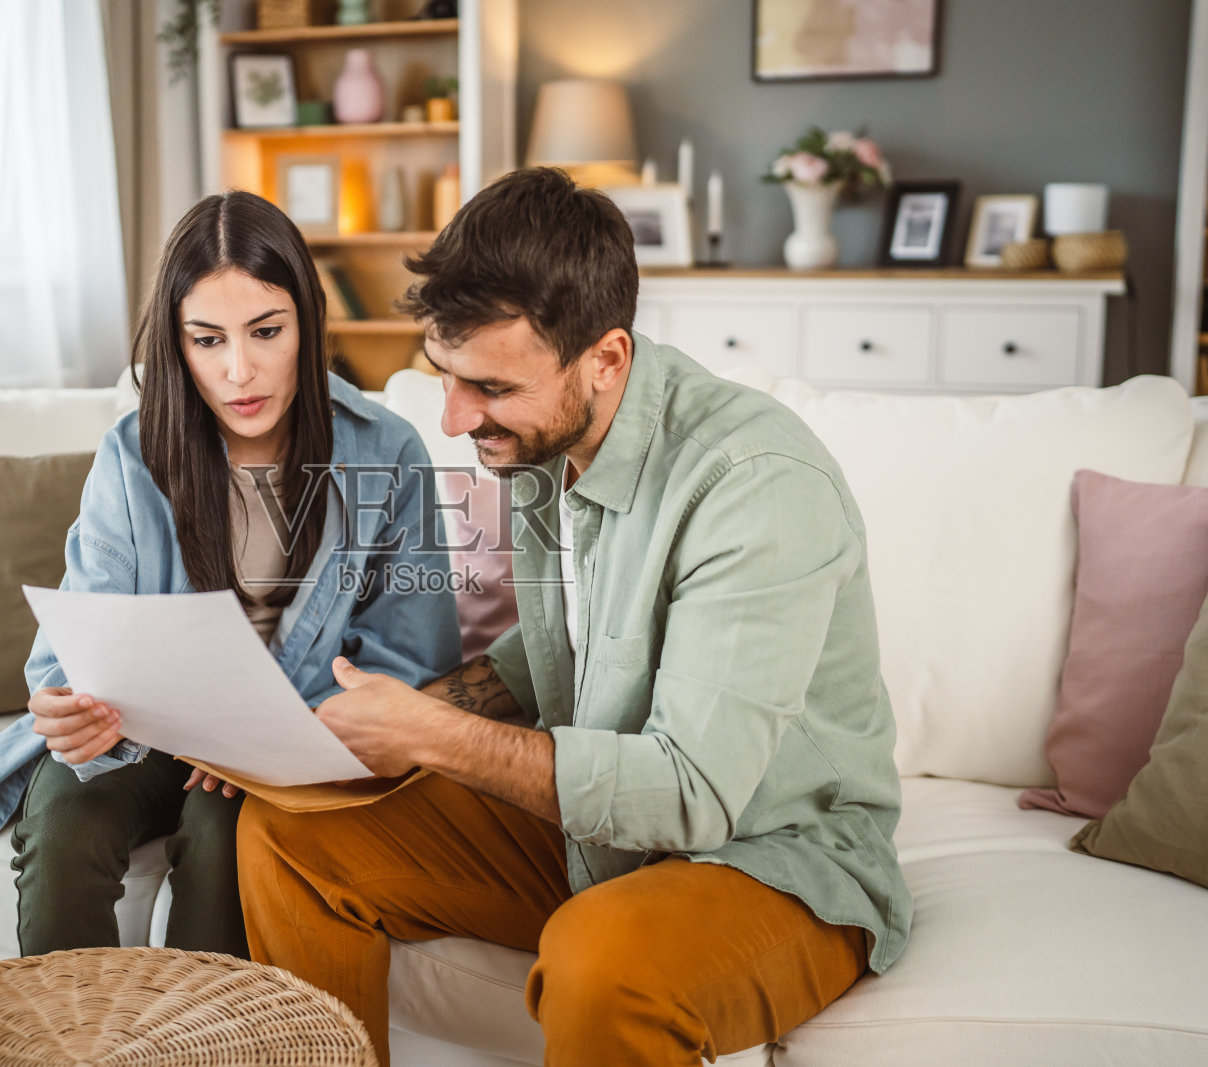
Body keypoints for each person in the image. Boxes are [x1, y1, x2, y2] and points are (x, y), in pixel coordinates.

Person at [235, 167, 913, 1064]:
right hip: (600, 834)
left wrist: (436, 737)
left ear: (607, 358)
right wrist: (358, 729)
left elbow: (691, 793)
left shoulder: (756, 484)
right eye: (446, 375)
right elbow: (553, 650)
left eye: (490, 386)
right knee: (289, 829)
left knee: (599, 962)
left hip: (775, 855)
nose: (454, 418)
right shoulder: (551, 446)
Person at [0, 190, 461, 960]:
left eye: (266, 331)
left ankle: (202, 1024)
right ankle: (72, 1027)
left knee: (222, 834)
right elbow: (79, 637)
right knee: (65, 824)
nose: (240, 370)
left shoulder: (388, 451)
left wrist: (269, 739)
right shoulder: (130, 453)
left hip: (285, 743)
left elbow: (412, 660)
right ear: (177, 343)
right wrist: (69, 708)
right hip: (141, 732)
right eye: (207, 340)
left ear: (307, 321)